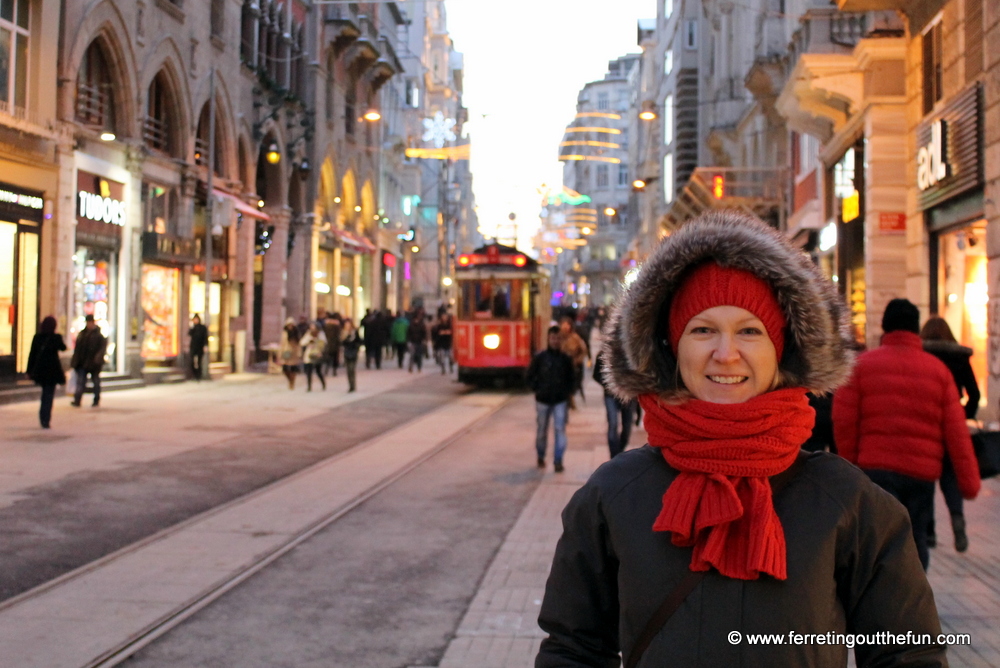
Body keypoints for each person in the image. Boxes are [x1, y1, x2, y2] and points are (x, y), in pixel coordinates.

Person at [537, 211, 946, 667]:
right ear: (673, 348)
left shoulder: (845, 502)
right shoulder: (614, 496)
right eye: (703, 330)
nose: (726, 354)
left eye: (750, 331)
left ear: (780, 351)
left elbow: (909, 654)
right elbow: (572, 649)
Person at [833, 299, 980, 571]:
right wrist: (969, 483)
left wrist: (851, 466)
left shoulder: (861, 366)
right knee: (916, 538)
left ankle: (876, 598)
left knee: (876, 538)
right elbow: (957, 433)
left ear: (884, 326)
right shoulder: (938, 372)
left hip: (874, 470)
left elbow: (844, 422)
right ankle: (911, 601)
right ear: (915, 329)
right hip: (920, 474)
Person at [919, 316, 980, 553]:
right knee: (949, 475)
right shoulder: (959, 357)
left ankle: (930, 532)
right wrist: (963, 415)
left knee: (925, 476)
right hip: (950, 425)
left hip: (925, 423)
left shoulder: (922, 356)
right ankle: (957, 517)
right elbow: (974, 393)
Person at [526, 325, 576, 473]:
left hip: (560, 400)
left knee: (560, 429)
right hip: (543, 399)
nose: (555, 341)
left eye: (558, 339)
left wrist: (568, 392)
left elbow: (572, 378)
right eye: (553, 338)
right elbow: (529, 376)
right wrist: (537, 388)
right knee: (542, 430)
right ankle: (541, 455)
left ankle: (558, 460)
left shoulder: (565, 359)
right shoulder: (540, 357)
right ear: (548, 339)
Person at [27, 316, 67, 429]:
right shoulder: (55, 337)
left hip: (41, 371)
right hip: (52, 371)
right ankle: (46, 418)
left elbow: (32, 354)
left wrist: (29, 370)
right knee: (49, 395)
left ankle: (42, 416)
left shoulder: (38, 337)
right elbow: (63, 348)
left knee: (45, 393)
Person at [593, 350, 634, 458]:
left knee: (627, 428)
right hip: (610, 395)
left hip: (628, 396)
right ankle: (614, 456)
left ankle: (619, 452)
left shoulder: (632, 351)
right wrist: (608, 384)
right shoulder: (604, 354)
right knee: (613, 424)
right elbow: (596, 374)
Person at [70, 314, 107, 408]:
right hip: (82, 362)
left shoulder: (98, 335)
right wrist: (75, 361)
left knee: (95, 381)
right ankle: (77, 400)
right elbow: (78, 349)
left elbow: (102, 349)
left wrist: (97, 359)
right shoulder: (82, 334)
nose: (89, 324)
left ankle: (96, 400)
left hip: (94, 363)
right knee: (81, 381)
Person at [558, 315, 588, 408]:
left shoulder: (575, 338)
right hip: (560, 366)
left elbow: (583, 350)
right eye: (563, 325)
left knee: (571, 385)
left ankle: (569, 400)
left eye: (567, 325)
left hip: (572, 366)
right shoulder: (558, 338)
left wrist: (578, 361)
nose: (565, 327)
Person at [300, 322, 328, 391]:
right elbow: (302, 342)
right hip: (309, 355)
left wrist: (316, 342)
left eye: (313, 327)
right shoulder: (308, 334)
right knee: (308, 371)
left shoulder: (321, 334)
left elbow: (323, 343)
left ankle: (323, 384)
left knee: (318, 371)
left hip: (317, 354)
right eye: (311, 327)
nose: (312, 328)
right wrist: (309, 341)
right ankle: (309, 387)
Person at [278, 317, 302, 390]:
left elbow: (299, 344)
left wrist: (299, 353)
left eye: (291, 325)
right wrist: (280, 353)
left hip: (294, 352)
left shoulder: (296, 333)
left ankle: (292, 382)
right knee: (285, 369)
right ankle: (290, 380)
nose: (290, 326)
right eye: (289, 325)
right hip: (286, 351)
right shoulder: (284, 333)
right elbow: (282, 343)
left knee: (293, 369)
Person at [341, 318, 362, 392]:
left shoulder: (355, 332)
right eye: (346, 325)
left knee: (352, 369)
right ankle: (350, 385)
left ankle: (353, 385)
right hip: (347, 352)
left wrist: (357, 348)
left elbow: (359, 340)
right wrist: (346, 336)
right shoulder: (343, 333)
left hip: (353, 352)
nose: (347, 326)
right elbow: (342, 342)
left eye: (348, 325)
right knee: (348, 370)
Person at [188, 314, 209, 381]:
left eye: (196, 319)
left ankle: (199, 376)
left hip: (200, 346)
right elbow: (189, 333)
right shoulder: (193, 327)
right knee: (192, 361)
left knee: (199, 362)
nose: (195, 321)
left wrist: (205, 345)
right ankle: (194, 375)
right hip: (193, 346)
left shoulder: (203, 328)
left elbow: (205, 337)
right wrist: (191, 326)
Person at [407, 308, 428, 372]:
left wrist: (424, 340)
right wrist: (408, 340)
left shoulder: (421, 325)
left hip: (419, 341)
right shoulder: (411, 325)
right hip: (413, 341)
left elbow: (424, 333)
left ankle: (419, 367)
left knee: (419, 355)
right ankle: (411, 367)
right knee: (412, 355)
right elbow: (408, 333)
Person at [322, 312, 342, 377]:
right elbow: (338, 335)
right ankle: (334, 371)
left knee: (328, 357)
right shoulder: (337, 325)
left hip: (328, 343)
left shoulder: (326, 325)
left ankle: (326, 370)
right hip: (335, 344)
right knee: (334, 358)